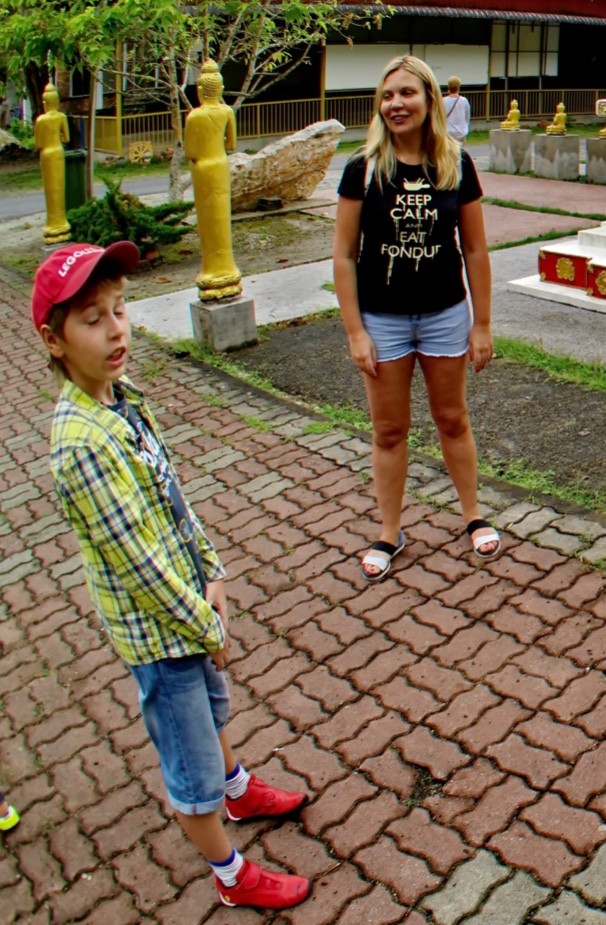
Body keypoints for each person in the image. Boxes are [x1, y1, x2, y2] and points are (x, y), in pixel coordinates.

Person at [37, 241, 313, 910]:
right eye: (92, 318)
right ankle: (230, 873)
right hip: (161, 630)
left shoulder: (122, 399)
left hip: (188, 602)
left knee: (213, 710)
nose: (116, 329)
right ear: (54, 339)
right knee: (190, 764)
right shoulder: (81, 443)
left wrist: (211, 567)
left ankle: (238, 788)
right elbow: (136, 562)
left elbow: (171, 497)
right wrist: (203, 622)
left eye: (120, 310)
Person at [334, 56, 499, 581]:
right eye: (387, 96)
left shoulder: (456, 165)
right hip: (382, 320)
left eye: (407, 93)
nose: (395, 105)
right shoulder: (361, 170)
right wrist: (355, 331)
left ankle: (472, 516)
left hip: (445, 314)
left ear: (429, 100)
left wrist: (482, 323)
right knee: (388, 430)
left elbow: (474, 250)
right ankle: (389, 530)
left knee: (452, 419)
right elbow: (343, 255)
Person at [441, 76, 472, 143]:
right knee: (460, 152)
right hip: (461, 132)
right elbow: (467, 118)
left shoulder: (443, 101)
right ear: (458, 87)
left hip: (448, 132)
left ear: (448, 87)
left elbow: (441, 117)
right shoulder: (464, 101)